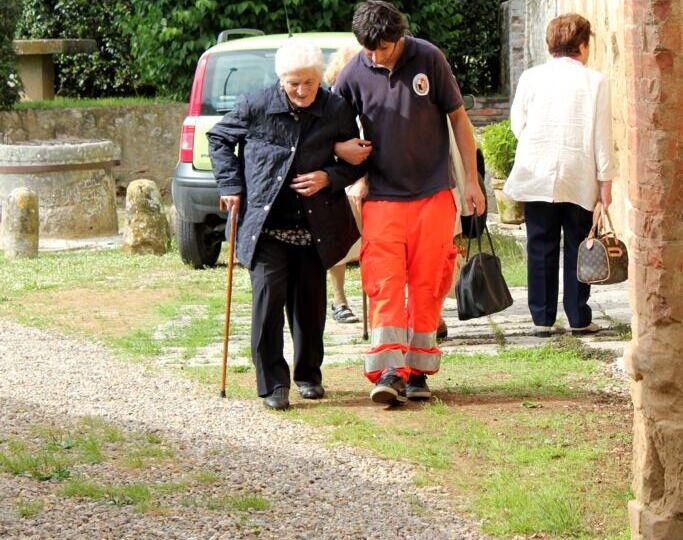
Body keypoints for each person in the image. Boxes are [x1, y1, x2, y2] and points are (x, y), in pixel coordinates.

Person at [334, 0, 485, 405]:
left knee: (429, 282)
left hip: (434, 194)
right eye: (368, 48)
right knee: (383, 282)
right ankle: (388, 371)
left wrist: (471, 181)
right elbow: (333, 131)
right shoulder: (352, 73)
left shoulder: (429, 58)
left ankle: (418, 372)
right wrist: (347, 157)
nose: (374, 55)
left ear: (399, 38)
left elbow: (459, 120)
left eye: (382, 47)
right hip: (382, 198)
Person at [207, 38, 361, 410]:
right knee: (268, 300)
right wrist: (230, 185)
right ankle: (273, 384)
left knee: (310, 305)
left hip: (315, 225)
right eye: (294, 83)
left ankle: (308, 375)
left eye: (309, 81)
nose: (302, 90)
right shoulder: (256, 105)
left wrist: (329, 176)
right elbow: (219, 138)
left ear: (318, 78)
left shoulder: (336, 108)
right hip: (267, 226)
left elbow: (358, 158)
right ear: (281, 81)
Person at [504, 14, 613, 337]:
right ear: (582, 44)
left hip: (537, 171)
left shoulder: (531, 77)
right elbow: (602, 138)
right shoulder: (596, 82)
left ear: (550, 43)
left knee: (540, 244)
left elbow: (517, 124)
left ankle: (541, 318)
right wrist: (606, 183)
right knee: (581, 244)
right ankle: (579, 317)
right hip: (579, 173)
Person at [323, 45, 365, 325]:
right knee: (338, 242)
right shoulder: (332, 105)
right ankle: (339, 300)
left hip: (372, 181)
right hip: (342, 183)